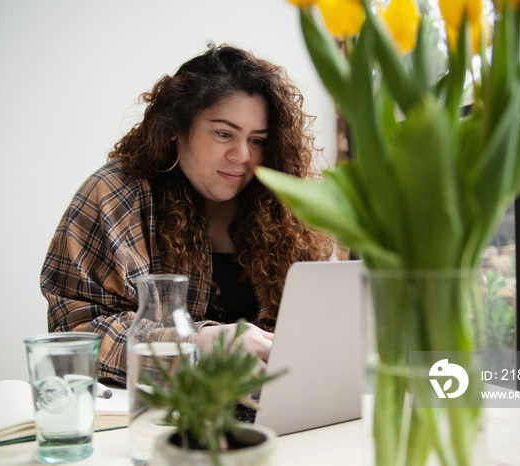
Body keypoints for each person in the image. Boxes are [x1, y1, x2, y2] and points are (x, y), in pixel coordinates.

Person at [40, 44, 335, 386]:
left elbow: (324, 323)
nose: (242, 155)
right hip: (154, 418)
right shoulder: (114, 195)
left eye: (257, 140)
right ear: (175, 127)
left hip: (272, 410)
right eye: (224, 133)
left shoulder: (287, 206)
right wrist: (195, 346)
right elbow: (74, 334)